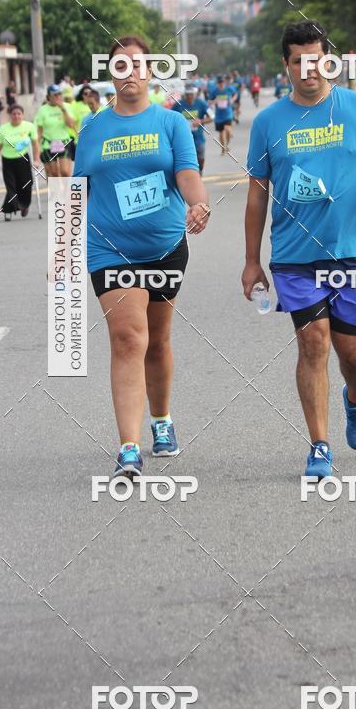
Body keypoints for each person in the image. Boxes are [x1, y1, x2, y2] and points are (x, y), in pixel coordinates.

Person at [242, 21, 356, 479]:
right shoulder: (269, 122)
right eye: (299, 61)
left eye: (316, 60)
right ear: (286, 65)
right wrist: (252, 260)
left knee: (354, 355)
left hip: (350, 250)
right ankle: (319, 446)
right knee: (313, 341)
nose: (308, 69)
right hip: (293, 255)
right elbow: (257, 196)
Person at [73, 35, 211, 477]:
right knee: (129, 339)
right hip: (109, 250)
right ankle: (128, 447)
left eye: (136, 64)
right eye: (119, 65)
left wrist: (198, 202)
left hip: (165, 247)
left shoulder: (171, 123)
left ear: (151, 72)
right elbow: (77, 189)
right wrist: (62, 250)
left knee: (157, 340)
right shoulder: (93, 127)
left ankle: (161, 419)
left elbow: (187, 173)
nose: (128, 72)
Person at [0, 103, 40, 220]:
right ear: (9, 115)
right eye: (13, 114)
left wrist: (37, 160)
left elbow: (35, 145)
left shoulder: (29, 126)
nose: (16, 116)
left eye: (19, 114)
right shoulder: (3, 129)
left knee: (27, 184)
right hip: (8, 160)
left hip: (23, 159)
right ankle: (9, 209)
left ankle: (24, 205)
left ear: (23, 115)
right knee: (11, 187)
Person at [36, 84, 76, 178]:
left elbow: (71, 125)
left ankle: (67, 187)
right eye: (55, 95)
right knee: (54, 173)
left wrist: (63, 109)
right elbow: (39, 131)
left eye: (59, 94)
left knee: (65, 172)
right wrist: (37, 150)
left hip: (64, 142)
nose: (58, 97)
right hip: (48, 143)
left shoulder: (67, 106)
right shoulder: (42, 109)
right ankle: (56, 188)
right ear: (49, 97)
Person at [172, 83, 213, 175]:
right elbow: (170, 119)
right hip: (182, 138)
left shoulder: (201, 103)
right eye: (187, 94)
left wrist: (201, 121)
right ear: (185, 94)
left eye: (191, 94)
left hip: (198, 138)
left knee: (201, 158)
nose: (189, 96)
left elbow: (212, 116)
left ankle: (200, 171)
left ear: (195, 94)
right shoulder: (178, 104)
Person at [209, 75, 235, 155]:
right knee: (221, 133)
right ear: (218, 83)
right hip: (219, 116)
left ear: (224, 82)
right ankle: (223, 148)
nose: (221, 84)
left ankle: (226, 145)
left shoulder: (229, 89)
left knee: (228, 130)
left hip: (228, 114)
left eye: (222, 82)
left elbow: (235, 94)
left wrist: (232, 100)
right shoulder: (214, 91)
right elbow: (209, 101)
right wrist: (214, 101)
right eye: (220, 82)